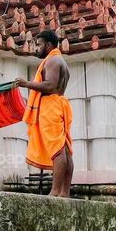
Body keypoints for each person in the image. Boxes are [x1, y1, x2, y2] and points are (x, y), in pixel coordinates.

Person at [16, 30, 73, 197]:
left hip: (51, 105)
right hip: (59, 103)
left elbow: (50, 85)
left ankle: (56, 191)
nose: (36, 48)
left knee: (57, 149)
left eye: (39, 44)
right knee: (64, 149)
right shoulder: (59, 60)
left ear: (48, 45)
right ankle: (64, 192)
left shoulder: (53, 60)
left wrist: (27, 84)